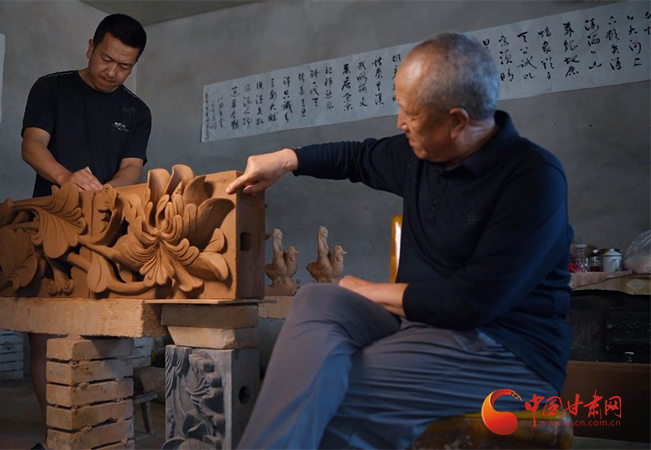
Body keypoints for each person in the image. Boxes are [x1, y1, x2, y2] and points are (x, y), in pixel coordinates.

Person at [227, 33, 573, 450]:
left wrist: (368, 290)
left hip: (506, 348)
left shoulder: (532, 177)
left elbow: (472, 303)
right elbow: (356, 157)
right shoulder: (421, 153)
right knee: (318, 299)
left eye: (411, 113)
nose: (400, 123)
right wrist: (286, 160)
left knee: (335, 391)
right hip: (423, 322)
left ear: (457, 121)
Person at [20, 13, 151, 450]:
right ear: (90, 47)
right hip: (50, 223)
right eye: (107, 59)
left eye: (125, 66)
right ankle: (57, 435)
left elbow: (132, 168)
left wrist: (104, 197)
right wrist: (65, 178)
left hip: (107, 231)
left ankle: (99, 433)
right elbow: (32, 145)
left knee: (104, 333)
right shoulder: (51, 88)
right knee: (43, 334)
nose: (113, 72)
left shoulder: (136, 111)